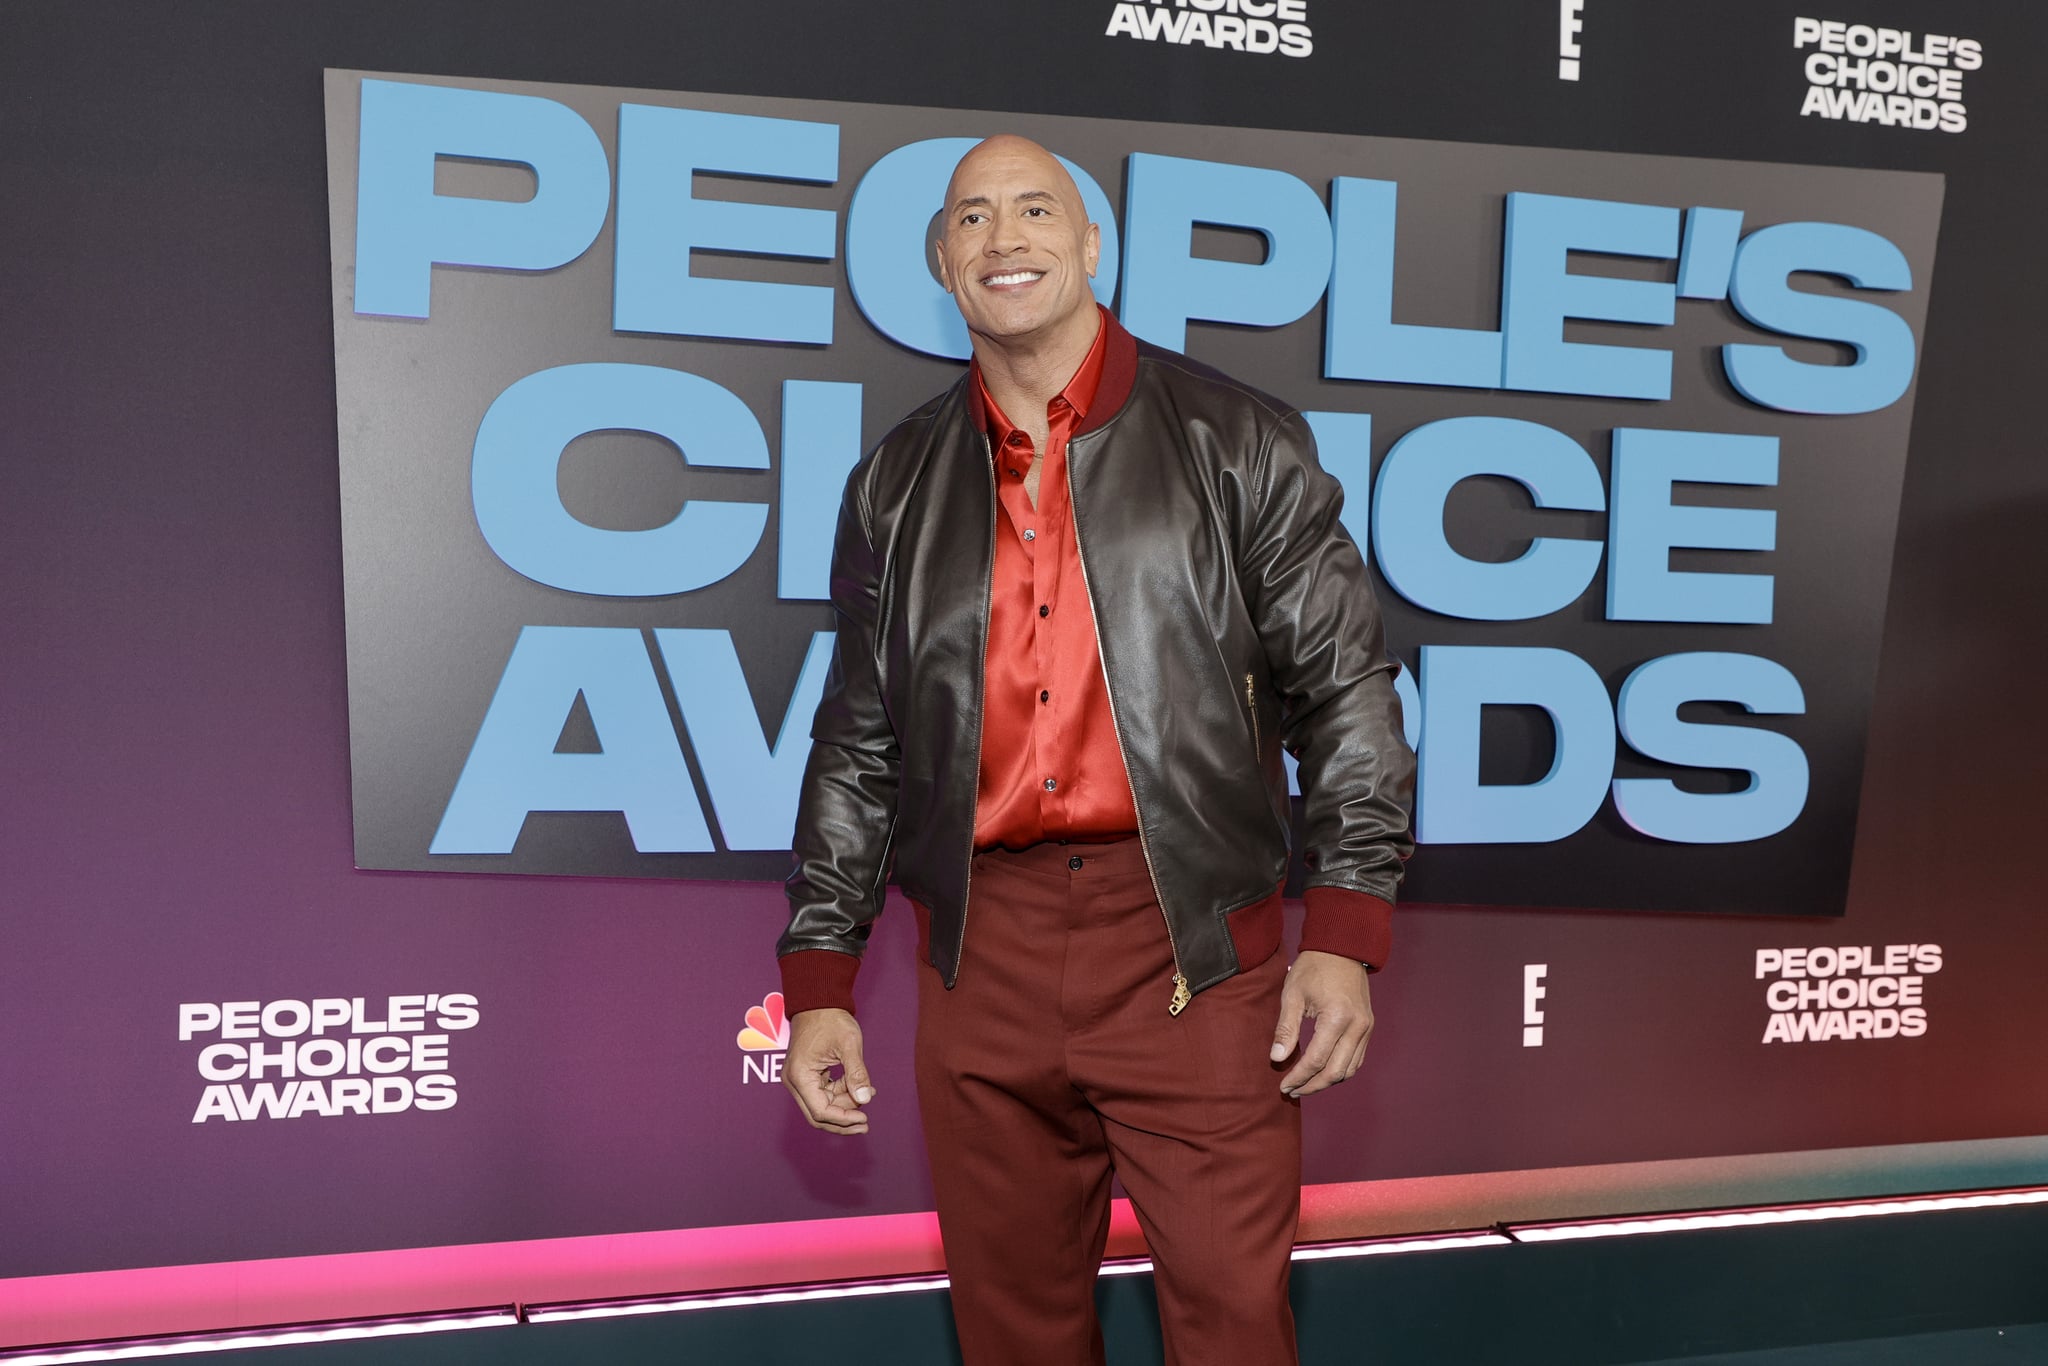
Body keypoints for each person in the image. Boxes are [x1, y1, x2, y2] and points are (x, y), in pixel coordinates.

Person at [775, 134, 1415, 1366]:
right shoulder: (894, 482)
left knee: (1232, 1321)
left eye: (1032, 210)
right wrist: (818, 974)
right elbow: (859, 739)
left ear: (1090, 243)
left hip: (1189, 945)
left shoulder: (1239, 440)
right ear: (939, 263)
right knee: (1013, 1333)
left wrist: (1342, 930)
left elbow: (1347, 692)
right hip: (978, 958)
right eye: (970, 220)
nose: (1002, 240)